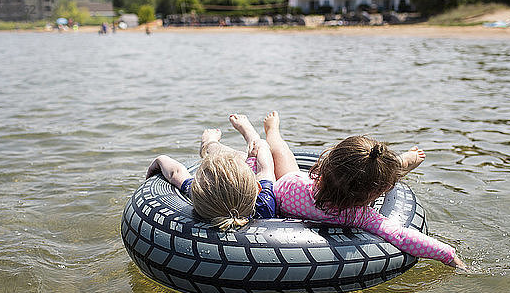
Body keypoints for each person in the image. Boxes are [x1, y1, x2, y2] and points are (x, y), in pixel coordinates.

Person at [263, 111, 466, 269]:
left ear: (325, 165)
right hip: (335, 187)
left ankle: (272, 130)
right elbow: (403, 236)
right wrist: (448, 255)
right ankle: (399, 166)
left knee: (280, 152)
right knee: (376, 176)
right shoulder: (359, 216)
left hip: (294, 185)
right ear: (373, 196)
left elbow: (266, 191)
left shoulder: (291, 188)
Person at [146, 115, 276, 231]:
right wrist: (262, 144)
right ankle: (251, 137)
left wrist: (160, 159)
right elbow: (266, 168)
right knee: (246, 156)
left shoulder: (204, 197)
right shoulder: (264, 205)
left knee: (230, 157)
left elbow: (176, 173)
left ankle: (208, 144)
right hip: (250, 163)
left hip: (241, 173)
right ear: (257, 187)